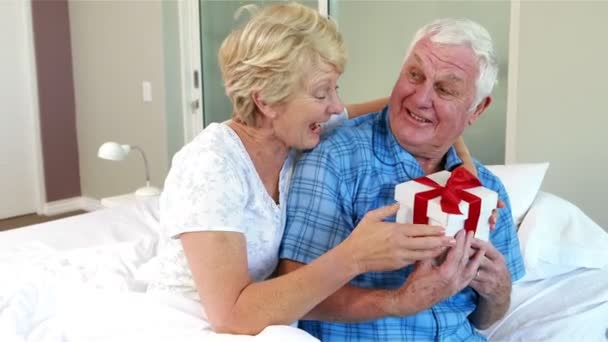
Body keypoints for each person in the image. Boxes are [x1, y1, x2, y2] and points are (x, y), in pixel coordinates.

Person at [147, 3, 484, 340]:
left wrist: (466, 178)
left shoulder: (297, 132)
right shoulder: (212, 165)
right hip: (201, 323)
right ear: (266, 101)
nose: (336, 106)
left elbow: (409, 109)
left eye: (335, 89)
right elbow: (232, 316)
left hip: (264, 317)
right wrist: (354, 257)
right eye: (322, 92)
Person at [278, 18, 525, 341]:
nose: (420, 98)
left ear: (477, 110)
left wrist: (498, 290)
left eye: (445, 89)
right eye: (414, 75)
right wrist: (396, 301)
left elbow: (485, 319)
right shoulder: (336, 158)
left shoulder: (487, 189)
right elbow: (294, 294)